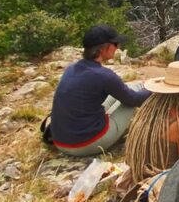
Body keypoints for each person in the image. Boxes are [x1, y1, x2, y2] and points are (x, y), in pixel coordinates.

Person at [49, 25, 151, 156]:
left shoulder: (71, 68)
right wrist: (154, 89)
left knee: (129, 89)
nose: (118, 47)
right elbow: (134, 100)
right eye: (115, 44)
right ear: (104, 48)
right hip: (85, 144)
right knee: (132, 97)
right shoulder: (104, 75)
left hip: (60, 142)